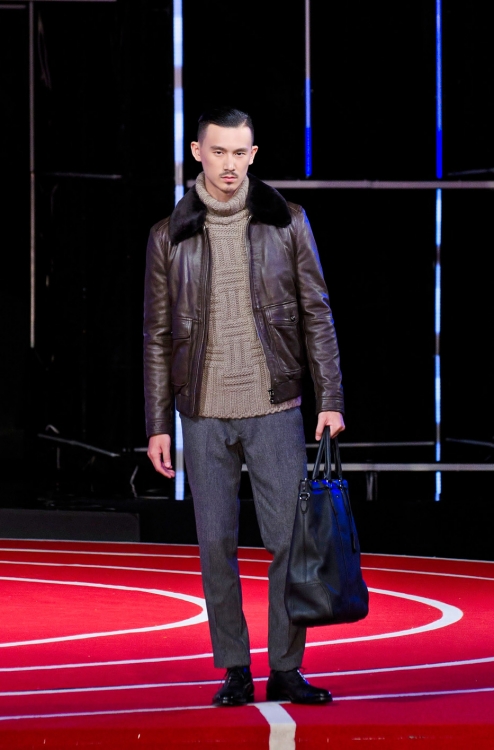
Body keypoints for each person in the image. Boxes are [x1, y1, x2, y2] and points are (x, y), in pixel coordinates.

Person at [144, 106, 345, 706]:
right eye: (219, 151)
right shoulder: (168, 236)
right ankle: (234, 666)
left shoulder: (289, 223)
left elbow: (317, 313)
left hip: (275, 406)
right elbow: (156, 335)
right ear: (197, 152)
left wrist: (331, 398)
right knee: (215, 547)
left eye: (240, 152)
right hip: (202, 412)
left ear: (253, 155)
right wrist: (157, 423)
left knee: (288, 542)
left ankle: (286, 667)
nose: (229, 165)